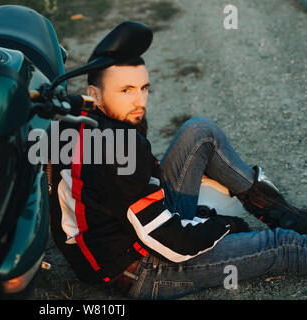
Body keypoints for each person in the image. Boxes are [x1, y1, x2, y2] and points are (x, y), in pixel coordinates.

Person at [47, 55, 307, 299]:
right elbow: (173, 245)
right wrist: (224, 225)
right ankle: (292, 232)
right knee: (285, 244)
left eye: (144, 88)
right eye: (126, 90)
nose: (140, 101)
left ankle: (283, 213)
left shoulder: (72, 118)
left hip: (127, 236)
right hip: (141, 268)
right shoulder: (119, 147)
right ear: (94, 93)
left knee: (200, 132)